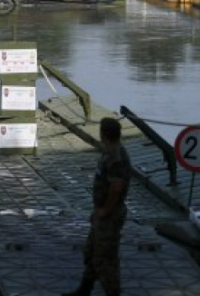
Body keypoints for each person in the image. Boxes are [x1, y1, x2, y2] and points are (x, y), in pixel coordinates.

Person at [62, 117, 131, 296]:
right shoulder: (111, 152)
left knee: (105, 258)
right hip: (103, 212)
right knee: (92, 250)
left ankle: (112, 293)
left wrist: (104, 211)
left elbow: (116, 188)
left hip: (110, 214)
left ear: (103, 134)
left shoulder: (115, 157)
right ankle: (84, 289)